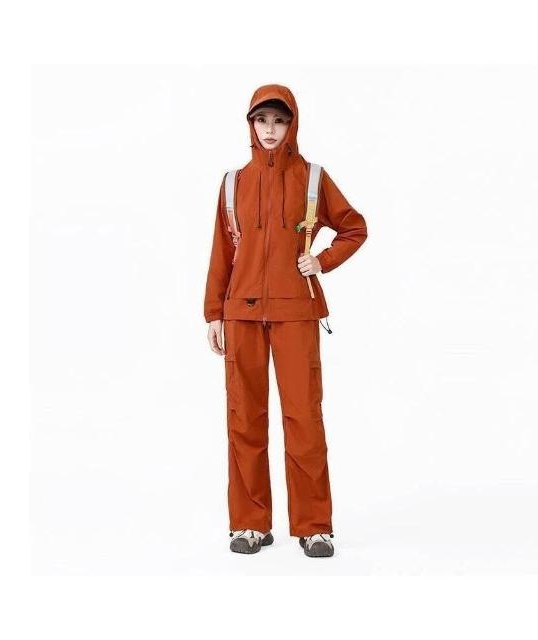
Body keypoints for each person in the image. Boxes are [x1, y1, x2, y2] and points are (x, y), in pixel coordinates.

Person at [203, 84, 367, 557]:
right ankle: (249, 524)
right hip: (241, 314)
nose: (270, 129)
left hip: (296, 312)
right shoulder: (232, 182)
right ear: (250, 125)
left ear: (292, 124)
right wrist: (214, 313)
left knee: (303, 418)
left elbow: (354, 227)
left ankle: (314, 527)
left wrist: (322, 260)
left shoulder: (312, 177)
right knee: (244, 419)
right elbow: (222, 251)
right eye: (262, 120)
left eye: (279, 120)